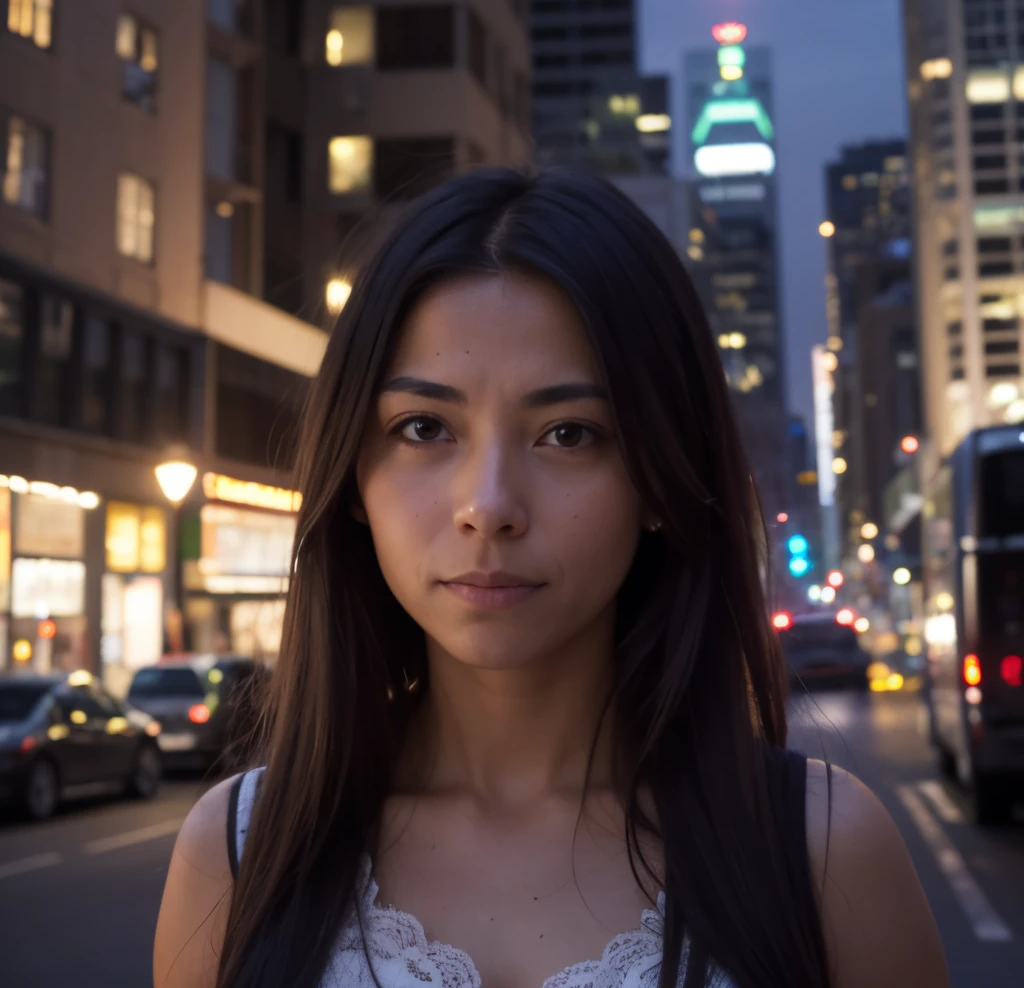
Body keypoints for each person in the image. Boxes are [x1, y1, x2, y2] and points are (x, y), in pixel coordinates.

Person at [154, 168, 950, 988]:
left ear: (659, 479)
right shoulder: (238, 854)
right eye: (424, 427)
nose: (489, 506)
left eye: (568, 434)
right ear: (354, 474)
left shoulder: (822, 851)